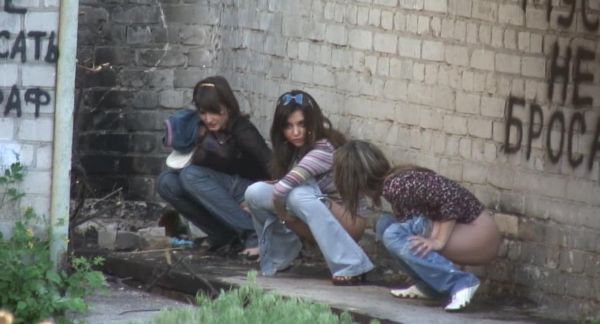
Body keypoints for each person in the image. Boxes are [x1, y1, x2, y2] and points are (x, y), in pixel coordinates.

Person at [332, 140, 500, 311]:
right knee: (383, 225)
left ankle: (460, 282)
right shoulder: (393, 185)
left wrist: (438, 240)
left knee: (393, 234)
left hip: (478, 235)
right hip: (472, 233)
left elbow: (451, 198)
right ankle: (429, 285)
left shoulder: (396, 185)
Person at [244, 90, 373, 285]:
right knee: (254, 192)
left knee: (296, 194)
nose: (295, 132)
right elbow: (280, 184)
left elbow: (282, 190)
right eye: (288, 126)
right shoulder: (292, 150)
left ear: (313, 122)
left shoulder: (323, 148)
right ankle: (280, 257)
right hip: (318, 213)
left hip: (350, 220)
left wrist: (284, 216)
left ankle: (351, 265)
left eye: (302, 124)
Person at [156, 76, 271, 258]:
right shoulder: (201, 130)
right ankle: (222, 235)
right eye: (203, 113)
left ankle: (253, 233)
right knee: (166, 182)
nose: (209, 119)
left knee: (191, 175)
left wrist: (262, 198)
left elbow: (270, 163)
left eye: (215, 112)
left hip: (250, 190)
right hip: (221, 189)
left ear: (228, 106)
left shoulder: (242, 130)